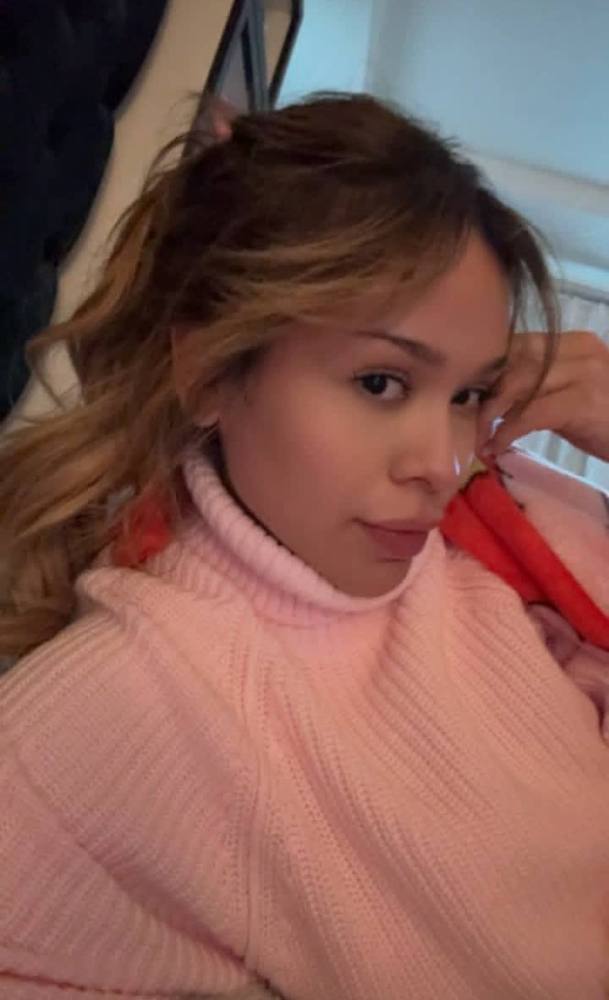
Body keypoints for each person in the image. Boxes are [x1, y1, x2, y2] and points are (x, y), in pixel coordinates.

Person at [1, 92, 609, 1000]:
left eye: (467, 396)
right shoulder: (139, 695)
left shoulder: (482, 549)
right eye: (380, 382)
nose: (443, 464)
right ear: (208, 371)